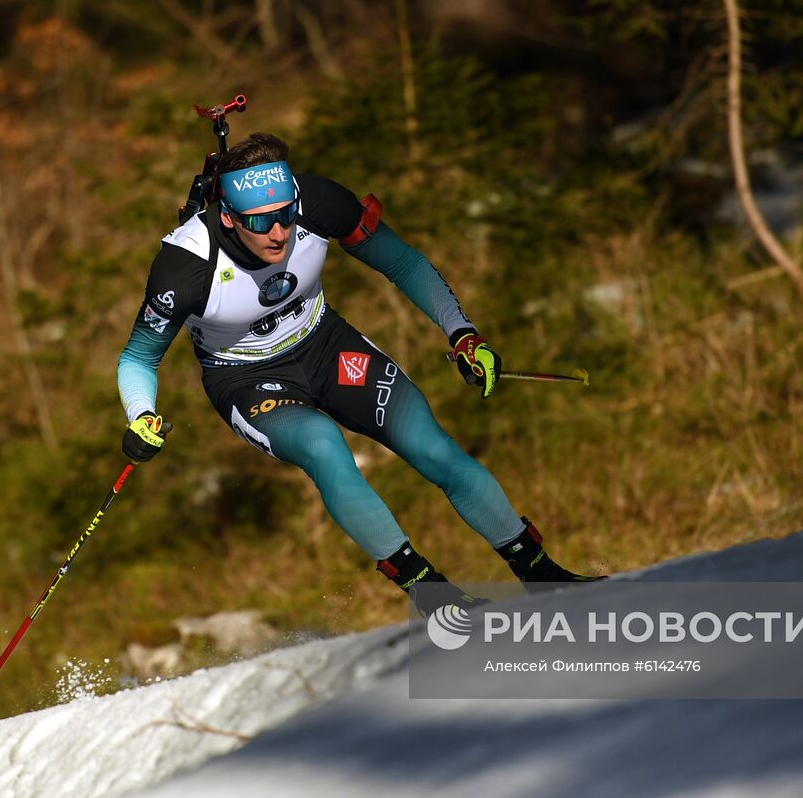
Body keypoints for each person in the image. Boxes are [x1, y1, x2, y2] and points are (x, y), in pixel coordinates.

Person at [117, 132, 601, 616]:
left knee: (431, 446)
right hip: (245, 379)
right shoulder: (184, 267)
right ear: (227, 217)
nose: (278, 233)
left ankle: (541, 573)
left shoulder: (320, 203)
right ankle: (434, 596)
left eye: (285, 214)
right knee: (322, 445)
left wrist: (462, 333)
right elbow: (139, 357)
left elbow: (403, 262)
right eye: (259, 221)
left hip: (327, 346)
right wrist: (141, 415)